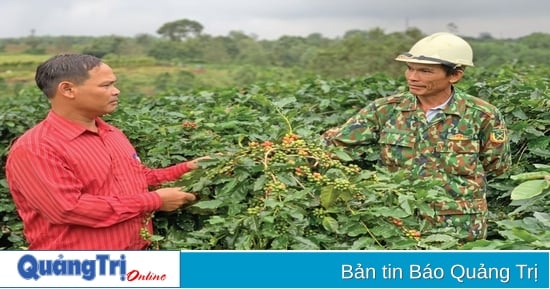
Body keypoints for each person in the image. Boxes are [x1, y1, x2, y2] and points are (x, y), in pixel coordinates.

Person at [322, 32, 511, 241]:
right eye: (410, 69)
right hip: (396, 223)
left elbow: (497, 166)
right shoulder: (385, 110)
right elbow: (335, 146)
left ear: (455, 75)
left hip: (459, 228)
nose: (413, 77)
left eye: (425, 71)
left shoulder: (482, 114)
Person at [5, 54, 206, 250]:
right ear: (68, 90)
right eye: (105, 85)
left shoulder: (112, 133)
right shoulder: (36, 147)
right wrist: (155, 200)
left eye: (113, 84)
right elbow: (68, 209)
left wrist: (188, 168)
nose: (116, 91)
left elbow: (136, 177)